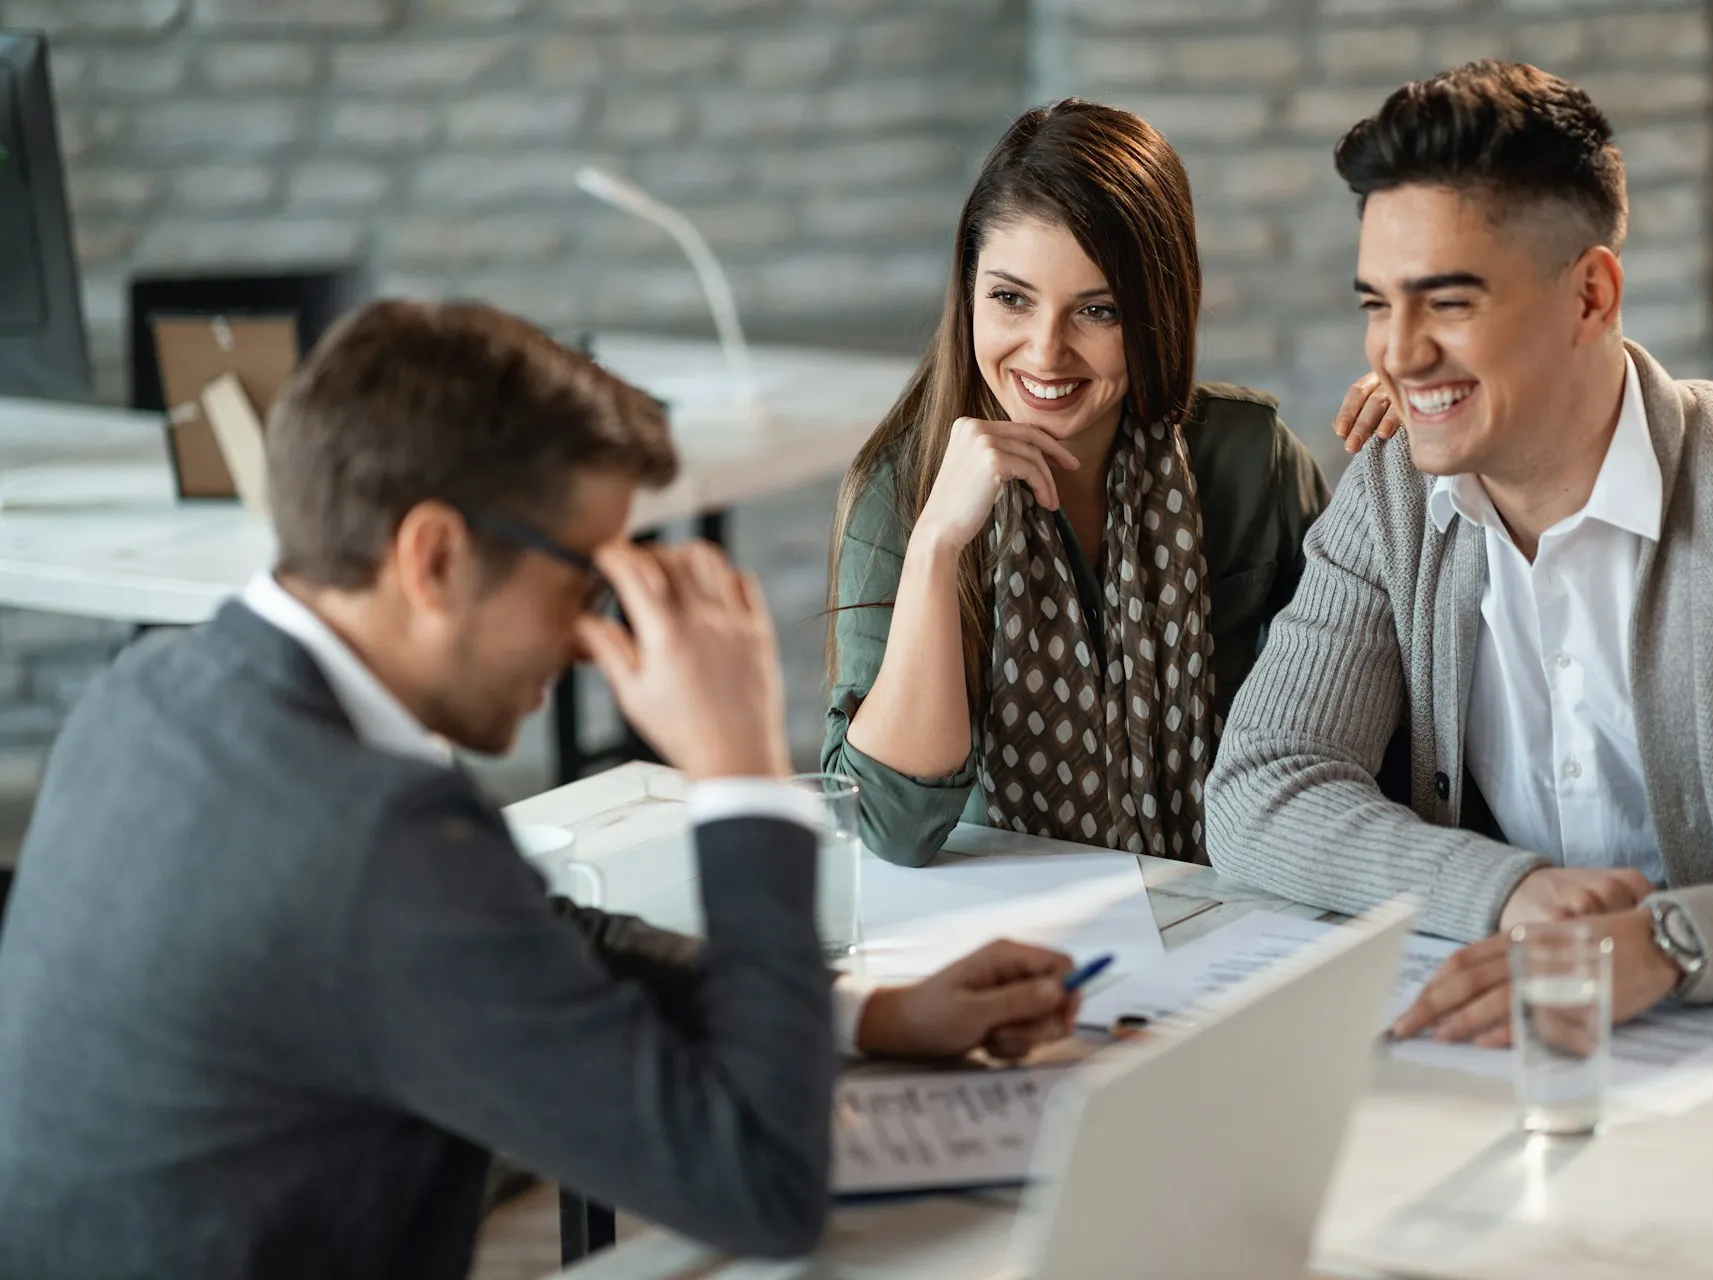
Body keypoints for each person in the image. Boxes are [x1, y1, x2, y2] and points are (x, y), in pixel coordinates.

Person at [0, 300, 1083, 1279]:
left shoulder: (150, 695)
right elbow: (765, 1184)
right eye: (582, 575)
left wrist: (865, 1011)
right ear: (433, 556)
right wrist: (741, 768)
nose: (585, 636)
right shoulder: (370, 841)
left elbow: (520, 937)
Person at [1207, 61, 1713, 1047]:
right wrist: (1515, 893)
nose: (1397, 354)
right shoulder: (1389, 493)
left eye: (1446, 303)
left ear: (1590, 294)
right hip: (1507, 1041)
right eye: (1377, 302)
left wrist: (1667, 943)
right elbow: (1261, 786)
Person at [824, 99, 1330, 868]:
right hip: (1001, 934)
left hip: (1231, 910)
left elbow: (1360, 733)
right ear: (968, 294)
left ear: (1158, 309)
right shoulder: (899, 490)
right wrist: (934, 545)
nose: (1045, 351)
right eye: (1010, 298)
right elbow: (890, 829)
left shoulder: (1248, 460)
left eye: (1097, 310)